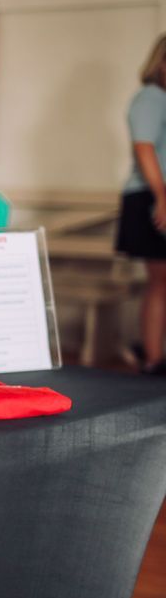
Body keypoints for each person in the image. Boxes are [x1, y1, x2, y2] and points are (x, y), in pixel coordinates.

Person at [117, 33, 166, 375]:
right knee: (160, 280)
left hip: (159, 193)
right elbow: (144, 148)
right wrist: (161, 197)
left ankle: (147, 352)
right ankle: (152, 358)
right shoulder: (150, 97)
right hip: (151, 195)